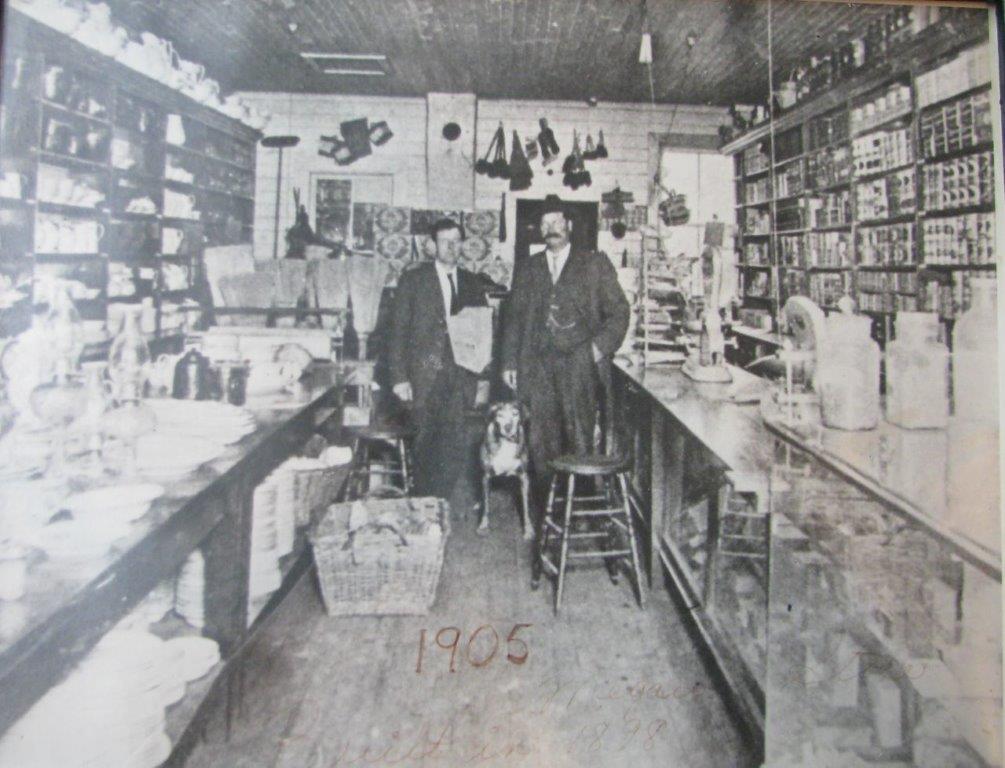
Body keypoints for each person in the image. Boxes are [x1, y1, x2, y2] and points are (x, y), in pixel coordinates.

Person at [501, 196, 630, 475]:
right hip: (537, 369)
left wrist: (597, 349)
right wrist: (510, 362)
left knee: (579, 441)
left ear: (569, 225)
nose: (551, 227)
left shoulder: (594, 264)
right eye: (545, 222)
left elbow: (620, 313)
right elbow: (513, 319)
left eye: (557, 221)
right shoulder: (527, 267)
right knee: (539, 444)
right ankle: (542, 514)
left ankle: (578, 514)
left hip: (579, 367)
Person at [388, 218, 487, 498]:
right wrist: (399, 378)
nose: (451, 247)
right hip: (424, 376)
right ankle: (423, 509)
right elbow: (397, 331)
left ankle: (441, 504)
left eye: (457, 241)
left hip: (459, 378)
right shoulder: (414, 280)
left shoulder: (471, 283)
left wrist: (479, 377)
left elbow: (481, 333)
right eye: (445, 241)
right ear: (432, 245)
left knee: (454, 446)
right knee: (424, 446)